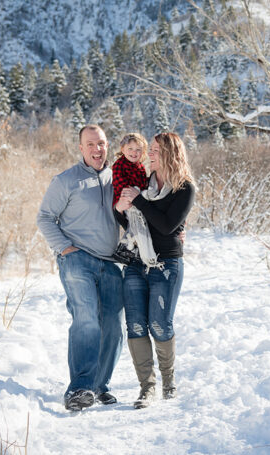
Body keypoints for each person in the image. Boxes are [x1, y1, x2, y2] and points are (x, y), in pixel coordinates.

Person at [37, 124, 124, 412]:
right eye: (90, 144)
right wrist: (64, 248)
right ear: (81, 148)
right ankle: (79, 388)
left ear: (107, 144)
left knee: (112, 325)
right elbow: (45, 218)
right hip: (78, 260)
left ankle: (99, 387)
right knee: (86, 319)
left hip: (111, 262)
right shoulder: (65, 181)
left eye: (101, 143)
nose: (97, 149)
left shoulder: (119, 178)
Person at [114, 132, 195, 409]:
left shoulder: (184, 188)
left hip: (166, 265)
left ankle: (169, 381)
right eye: (152, 149)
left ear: (171, 153)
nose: (150, 154)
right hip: (136, 262)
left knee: (160, 324)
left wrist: (138, 200)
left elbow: (166, 225)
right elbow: (126, 219)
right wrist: (120, 206)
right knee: (136, 325)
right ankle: (147, 387)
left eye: (157, 150)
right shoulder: (142, 182)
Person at [111, 133, 159, 268]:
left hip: (138, 199)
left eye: (138, 150)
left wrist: (142, 194)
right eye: (130, 149)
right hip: (125, 199)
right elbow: (120, 184)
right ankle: (125, 249)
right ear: (123, 149)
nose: (134, 153)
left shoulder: (141, 167)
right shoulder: (119, 165)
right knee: (135, 224)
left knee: (140, 226)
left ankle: (136, 249)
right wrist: (133, 194)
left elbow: (144, 184)